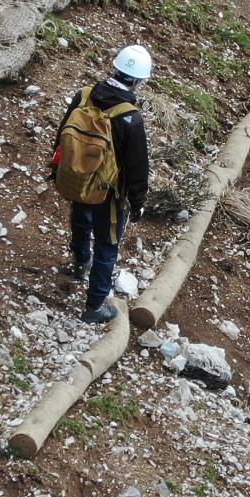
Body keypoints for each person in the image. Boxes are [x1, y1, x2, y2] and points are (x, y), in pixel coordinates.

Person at [50, 44, 152, 323]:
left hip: (76, 178)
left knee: (80, 219)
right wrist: (138, 202)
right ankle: (95, 307)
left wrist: (57, 169)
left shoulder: (83, 96)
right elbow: (136, 168)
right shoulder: (129, 118)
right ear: (138, 80)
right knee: (107, 245)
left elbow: (62, 135)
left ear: (115, 68)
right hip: (107, 193)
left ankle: (80, 262)